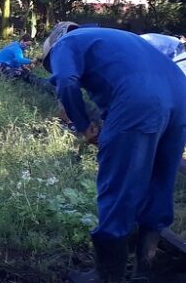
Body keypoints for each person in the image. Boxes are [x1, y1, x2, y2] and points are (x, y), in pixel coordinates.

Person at [42, 22, 186, 282]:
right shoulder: (118, 38)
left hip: (139, 98)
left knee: (119, 184)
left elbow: (65, 80)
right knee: (160, 182)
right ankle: (147, 268)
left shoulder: (64, 44)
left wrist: (84, 126)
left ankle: (107, 275)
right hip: (180, 93)